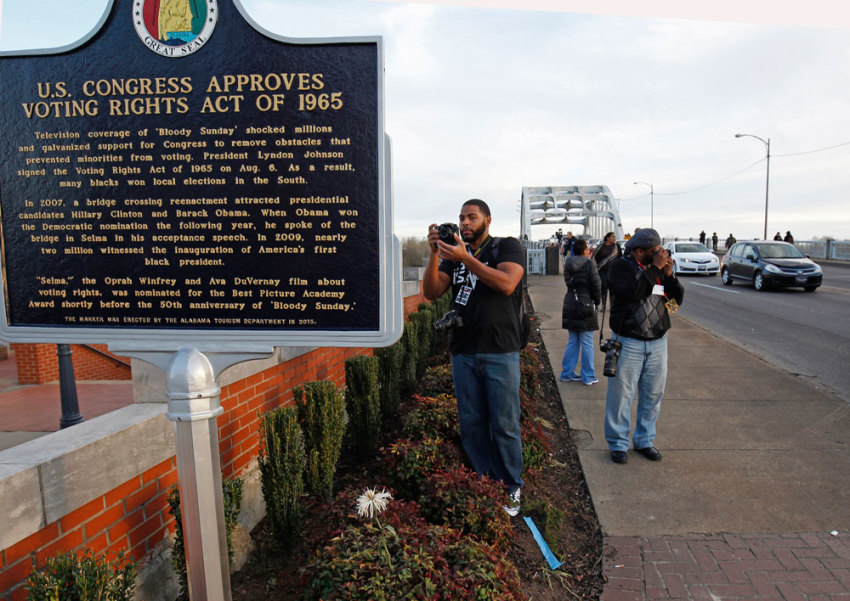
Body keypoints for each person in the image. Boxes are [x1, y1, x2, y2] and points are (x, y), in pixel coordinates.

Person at [423, 199, 526, 516]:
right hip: (464, 350)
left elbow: (507, 283)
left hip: (500, 350)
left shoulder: (505, 247)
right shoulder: (453, 256)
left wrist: (466, 259)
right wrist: (434, 254)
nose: (465, 223)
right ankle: (485, 482)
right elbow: (431, 292)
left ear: (488, 220)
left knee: (505, 423)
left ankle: (511, 487)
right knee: (472, 423)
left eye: (472, 217)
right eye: (461, 219)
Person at [603, 228, 684, 464]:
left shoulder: (657, 271)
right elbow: (632, 293)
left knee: (653, 394)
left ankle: (644, 440)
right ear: (639, 252)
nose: (660, 254)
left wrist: (669, 276)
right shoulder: (620, 267)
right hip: (628, 341)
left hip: (658, 342)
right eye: (654, 251)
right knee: (621, 396)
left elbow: (675, 302)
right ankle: (618, 443)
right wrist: (655, 269)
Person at [561, 239, 602, 385]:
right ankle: (588, 376)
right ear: (584, 250)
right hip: (585, 304)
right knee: (587, 341)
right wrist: (597, 301)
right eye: (586, 248)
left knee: (573, 340)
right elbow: (596, 285)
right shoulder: (589, 263)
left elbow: (568, 282)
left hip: (570, 302)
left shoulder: (568, 262)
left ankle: (567, 373)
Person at [593, 232, 622, 302]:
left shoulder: (616, 247)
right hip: (603, 270)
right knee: (603, 287)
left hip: (614, 271)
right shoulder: (601, 247)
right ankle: (603, 305)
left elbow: (620, 257)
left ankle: (612, 305)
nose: (614, 238)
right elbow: (596, 257)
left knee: (613, 288)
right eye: (613, 237)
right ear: (608, 238)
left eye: (615, 237)